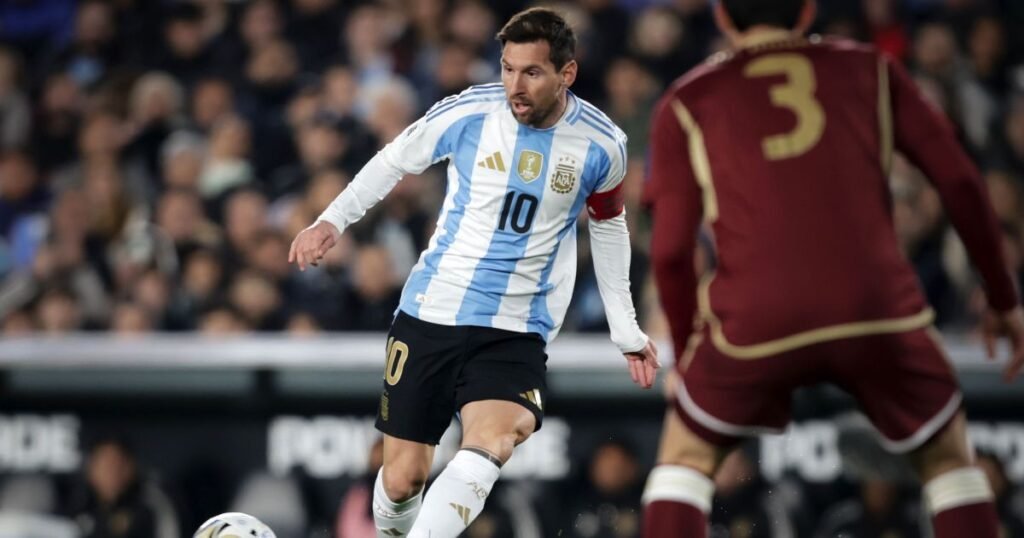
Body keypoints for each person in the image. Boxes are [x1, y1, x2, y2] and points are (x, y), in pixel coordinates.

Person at [639, 1, 1024, 537]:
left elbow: (670, 252)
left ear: (722, 16)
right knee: (949, 461)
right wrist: (1003, 298)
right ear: (807, 10)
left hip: (756, 321)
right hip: (876, 312)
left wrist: (685, 353)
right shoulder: (872, 69)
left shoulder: (688, 99)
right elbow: (960, 182)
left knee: (684, 460)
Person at [289, 8, 659, 537]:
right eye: (508, 69)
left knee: (494, 440)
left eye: (531, 72)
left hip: (517, 325)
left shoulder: (603, 144)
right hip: (433, 310)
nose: (515, 86)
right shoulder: (469, 111)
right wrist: (332, 220)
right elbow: (395, 160)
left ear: (567, 73)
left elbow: (608, 225)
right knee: (401, 480)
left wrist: (625, 327)